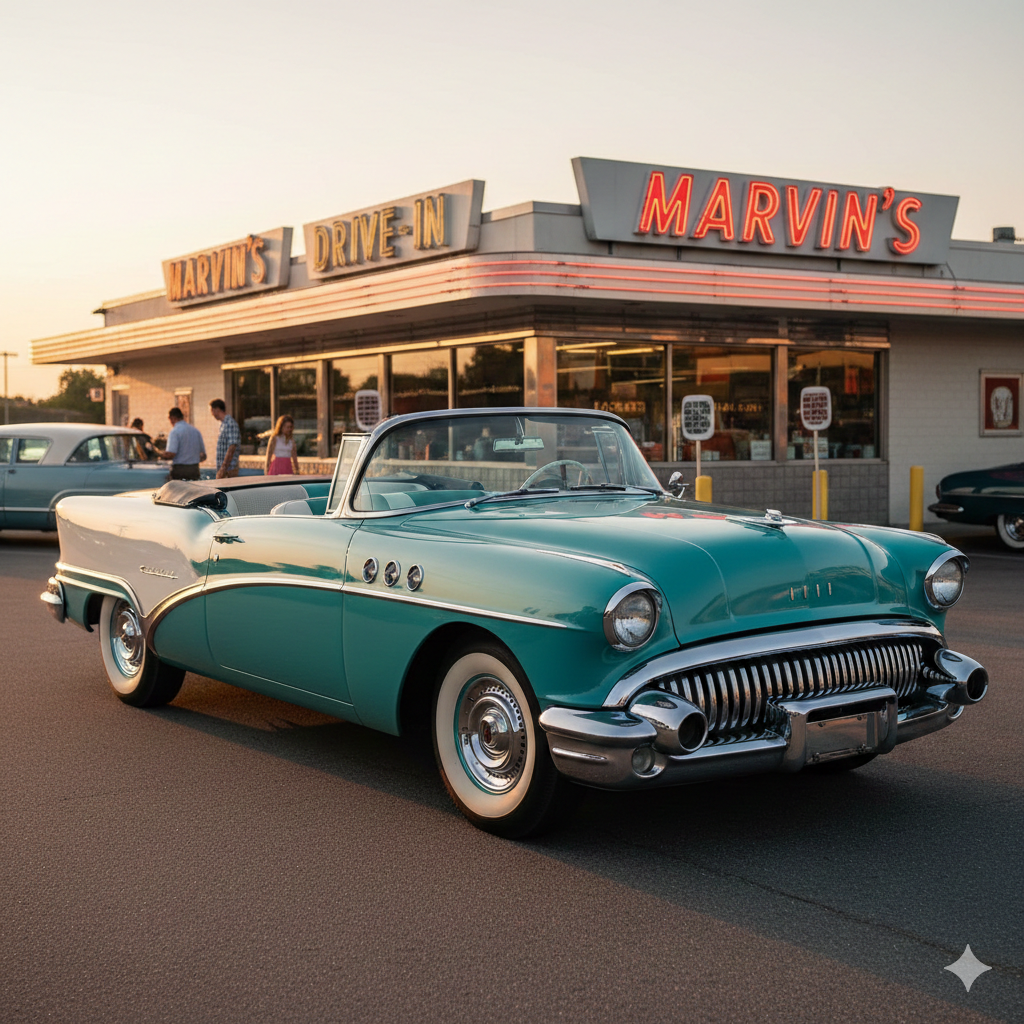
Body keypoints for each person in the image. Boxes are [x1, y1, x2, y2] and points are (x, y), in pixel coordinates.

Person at [157, 407, 206, 480]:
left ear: (171, 418)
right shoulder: (195, 431)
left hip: (180, 470)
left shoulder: (175, 432)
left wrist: (159, 454)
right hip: (194, 469)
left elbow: (171, 454)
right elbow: (203, 455)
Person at [209, 399, 241, 479]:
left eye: (212, 411)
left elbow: (232, 447)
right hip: (225, 468)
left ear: (217, 409)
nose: (212, 414)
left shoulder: (230, 424)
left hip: (229, 469)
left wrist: (223, 468)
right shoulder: (223, 424)